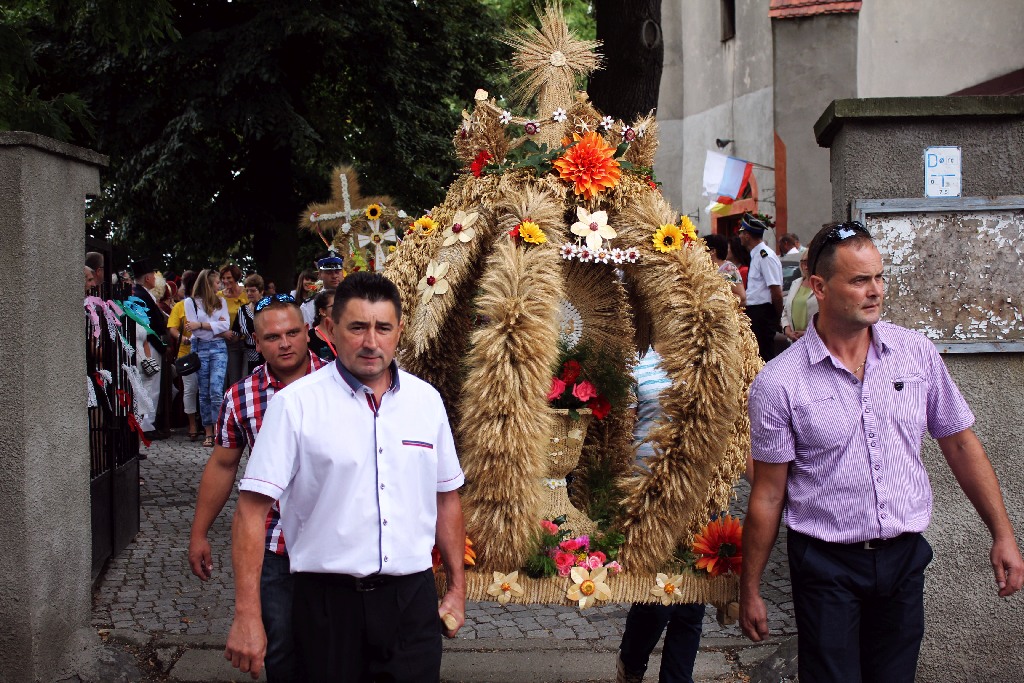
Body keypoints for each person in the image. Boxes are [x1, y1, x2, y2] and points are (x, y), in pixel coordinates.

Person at [740, 221, 1024, 683]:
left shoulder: (916, 355)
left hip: (903, 560)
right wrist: (750, 587)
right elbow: (769, 494)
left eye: (879, 277)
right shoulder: (779, 382)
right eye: (858, 280)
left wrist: (1003, 533)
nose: (875, 291)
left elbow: (960, 443)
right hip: (825, 564)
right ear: (820, 286)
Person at [224, 272, 466, 681]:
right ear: (330, 330)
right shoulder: (295, 405)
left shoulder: (427, 402)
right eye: (357, 327)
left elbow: (446, 498)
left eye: (383, 328)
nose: (371, 342)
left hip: (411, 603)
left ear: (399, 331)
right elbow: (250, 512)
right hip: (326, 605)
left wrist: (457, 588)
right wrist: (248, 614)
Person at [189, 293, 325, 682]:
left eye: (292, 333)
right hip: (274, 544)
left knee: (337, 650)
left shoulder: (340, 384)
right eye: (272, 337)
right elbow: (222, 464)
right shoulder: (240, 397)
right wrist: (199, 533)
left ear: (308, 332)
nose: (284, 343)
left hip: (334, 543)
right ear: (257, 342)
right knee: (280, 650)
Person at [616, 343, 706, 683]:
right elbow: (622, 431)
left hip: (696, 489)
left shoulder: (701, 354)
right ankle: (633, 659)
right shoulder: (638, 359)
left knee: (693, 599)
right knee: (659, 595)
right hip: (648, 492)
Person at [185, 269, 231, 447]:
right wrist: (214, 327)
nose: (220, 285)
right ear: (209, 284)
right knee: (203, 391)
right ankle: (208, 431)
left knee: (216, 389)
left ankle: (219, 429)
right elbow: (193, 328)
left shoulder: (221, 301)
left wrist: (203, 324)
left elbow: (225, 324)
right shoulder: (191, 302)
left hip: (219, 348)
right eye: (217, 282)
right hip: (201, 347)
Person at [737, 214, 783, 362]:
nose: (740, 236)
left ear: (747, 235)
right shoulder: (756, 254)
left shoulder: (765, 256)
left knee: (764, 355)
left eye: (741, 233)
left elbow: (775, 290)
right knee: (756, 355)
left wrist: (778, 316)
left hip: (762, 312)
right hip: (755, 312)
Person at [132, 259, 169, 438]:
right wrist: (161, 346)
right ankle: (147, 424)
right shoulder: (142, 295)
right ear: (147, 278)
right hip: (150, 344)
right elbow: (151, 324)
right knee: (150, 384)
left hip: (148, 343)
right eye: (153, 275)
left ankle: (147, 422)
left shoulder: (139, 293)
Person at [168, 271, 201, 440]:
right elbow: (172, 328)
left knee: (206, 390)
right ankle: (192, 424)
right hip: (186, 354)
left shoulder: (207, 304)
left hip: (204, 352)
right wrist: (184, 338)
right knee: (189, 389)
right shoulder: (180, 306)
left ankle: (204, 422)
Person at [219, 264, 249, 387]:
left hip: (247, 340)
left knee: (247, 375)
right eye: (223, 278)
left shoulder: (246, 293)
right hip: (230, 341)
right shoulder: (219, 296)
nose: (225, 281)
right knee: (234, 378)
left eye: (229, 277)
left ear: (236, 277)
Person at [780, 252, 816, 345]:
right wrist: (787, 329)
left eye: (809, 262)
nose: (806, 267)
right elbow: (785, 311)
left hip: (815, 342)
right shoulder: (796, 283)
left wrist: (807, 333)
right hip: (795, 342)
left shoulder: (823, 286)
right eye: (803, 263)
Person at [299, 252, 344, 327]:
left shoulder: (352, 298)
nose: (334, 276)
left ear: (342, 273)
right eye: (329, 272)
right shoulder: (309, 305)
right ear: (319, 274)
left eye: (337, 271)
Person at [704, 233, 746, 306]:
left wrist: (717, 297)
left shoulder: (729, 269)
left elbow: (742, 297)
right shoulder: (706, 268)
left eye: (703, 249)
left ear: (713, 251)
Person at [235, 274, 265, 374]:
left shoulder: (269, 308)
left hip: (268, 354)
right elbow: (236, 333)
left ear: (261, 291)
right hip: (250, 356)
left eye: (253, 291)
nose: (249, 293)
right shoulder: (242, 310)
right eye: (247, 291)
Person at [306, 288, 337, 362]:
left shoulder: (346, 333)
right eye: (334, 306)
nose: (340, 309)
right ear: (322, 311)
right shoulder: (309, 338)